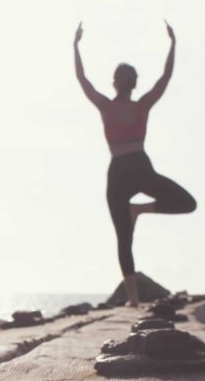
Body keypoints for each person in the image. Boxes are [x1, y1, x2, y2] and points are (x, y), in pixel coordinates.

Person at [73, 21, 196, 307]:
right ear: (133, 82)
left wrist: (75, 47)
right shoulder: (140, 106)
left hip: (120, 170)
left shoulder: (108, 105)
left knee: (123, 237)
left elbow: (83, 80)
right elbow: (165, 78)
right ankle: (140, 211)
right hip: (138, 167)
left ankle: (133, 298)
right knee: (186, 204)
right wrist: (173, 45)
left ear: (115, 82)